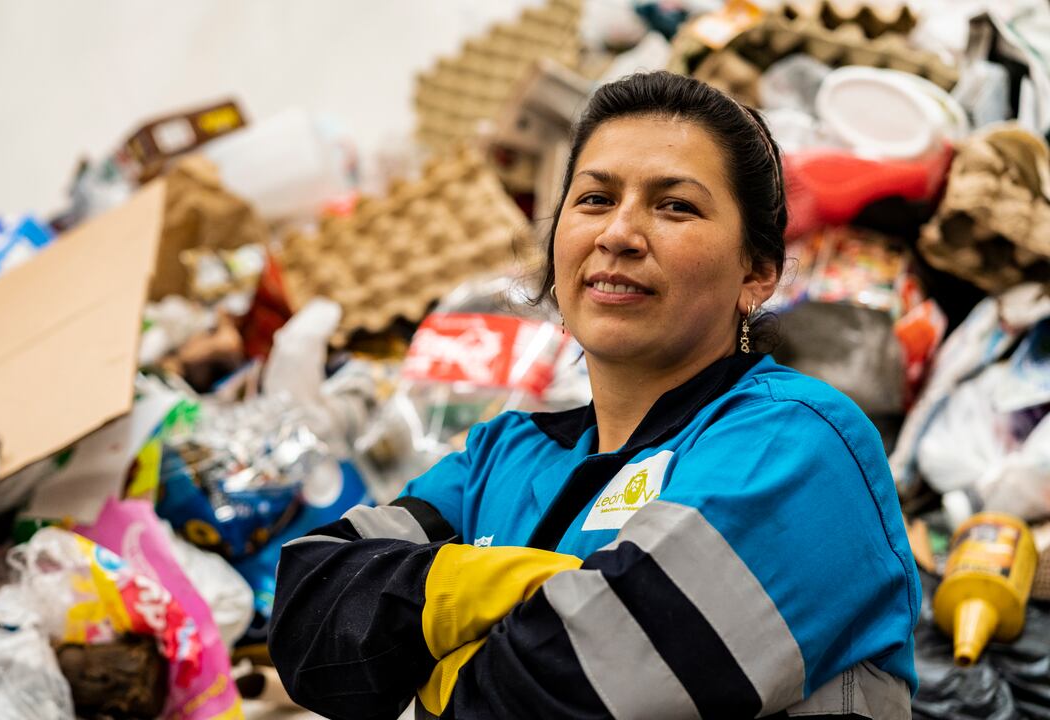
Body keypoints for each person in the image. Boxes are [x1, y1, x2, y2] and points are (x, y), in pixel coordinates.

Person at [267, 71, 920, 720]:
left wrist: (430, 668)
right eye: (595, 199)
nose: (618, 234)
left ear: (757, 273)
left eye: (675, 206)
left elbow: (566, 694)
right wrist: (477, 587)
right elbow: (308, 611)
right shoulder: (503, 454)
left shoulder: (798, 442)